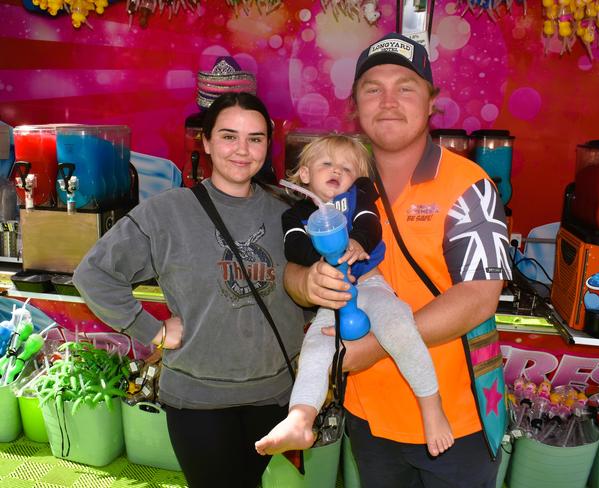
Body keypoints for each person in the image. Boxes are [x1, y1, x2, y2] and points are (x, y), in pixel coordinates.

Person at [284, 32, 512, 487]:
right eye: (373, 89)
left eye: (405, 87)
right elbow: (294, 268)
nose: (388, 101)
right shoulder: (338, 181)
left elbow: (479, 298)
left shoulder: (468, 186)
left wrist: (373, 349)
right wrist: (304, 281)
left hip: (454, 417)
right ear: (355, 106)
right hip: (367, 417)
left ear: (432, 102)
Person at [73, 92, 305, 488]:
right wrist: (151, 330)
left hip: (273, 394)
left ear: (268, 146)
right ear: (208, 142)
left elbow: (306, 289)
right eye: (229, 136)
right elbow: (93, 274)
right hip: (199, 400)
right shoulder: (168, 212)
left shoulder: (288, 213)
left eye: (256, 138)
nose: (242, 150)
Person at [255, 134, 454, 458]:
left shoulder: (358, 197)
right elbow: (293, 245)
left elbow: (369, 223)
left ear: (357, 178)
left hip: (370, 286)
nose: (337, 171)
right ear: (304, 175)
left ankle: (431, 406)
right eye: (327, 164)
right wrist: (318, 264)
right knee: (316, 350)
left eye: (347, 168)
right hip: (332, 297)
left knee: (400, 325)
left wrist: (359, 241)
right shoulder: (295, 214)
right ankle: (300, 419)